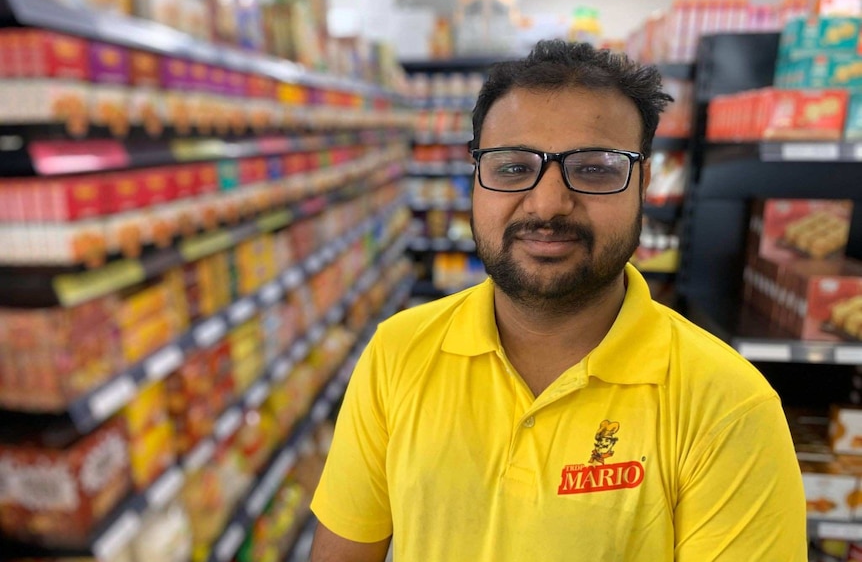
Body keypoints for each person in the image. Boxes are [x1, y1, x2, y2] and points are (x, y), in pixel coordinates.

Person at [309, 39, 808, 561]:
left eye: (595, 168)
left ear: (644, 185)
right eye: (511, 167)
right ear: (476, 180)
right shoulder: (397, 352)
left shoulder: (728, 406)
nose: (548, 204)